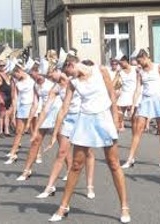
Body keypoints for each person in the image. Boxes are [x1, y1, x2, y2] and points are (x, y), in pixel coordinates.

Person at [48, 51, 130, 223]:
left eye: (67, 71)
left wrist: (115, 118)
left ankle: (124, 207)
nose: (67, 76)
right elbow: (64, 108)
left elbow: (112, 95)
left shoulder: (100, 71)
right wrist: (56, 132)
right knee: (77, 165)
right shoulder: (73, 83)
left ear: (71, 65)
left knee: (113, 163)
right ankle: (63, 206)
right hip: (85, 121)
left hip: (103, 119)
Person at [35, 53, 96, 200]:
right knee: (61, 153)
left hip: (83, 118)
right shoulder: (56, 88)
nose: (49, 79)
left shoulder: (76, 80)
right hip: (68, 120)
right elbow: (46, 109)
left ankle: (89, 185)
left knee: (87, 153)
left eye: (50, 75)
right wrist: (40, 129)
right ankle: (49, 187)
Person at [121, 49, 160, 169]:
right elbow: (138, 89)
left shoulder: (158, 67)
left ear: (145, 57)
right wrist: (133, 106)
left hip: (158, 99)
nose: (138, 64)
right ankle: (130, 158)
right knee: (138, 129)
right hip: (145, 100)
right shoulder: (140, 71)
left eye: (139, 61)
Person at [16, 57, 62, 181]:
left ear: (38, 71)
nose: (31, 75)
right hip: (45, 114)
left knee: (62, 144)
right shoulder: (36, 86)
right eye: (30, 73)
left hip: (57, 113)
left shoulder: (52, 82)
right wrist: (30, 121)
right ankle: (26, 170)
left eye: (32, 72)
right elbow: (35, 104)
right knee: (36, 141)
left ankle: (69, 170)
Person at [4, 58, 36, 164]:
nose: (14, 78)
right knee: (18, 131)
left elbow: (36, 95)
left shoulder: (31, 80)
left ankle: (38, 153)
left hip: (31, 107)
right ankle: (13, 152)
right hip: (22, 107)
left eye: (15, 75)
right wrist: (14, 113)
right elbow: (15, 98)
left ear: (19, 71)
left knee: (33, 132)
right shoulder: (17, 83)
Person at [113, 53, 138, 133]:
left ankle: (134, 138)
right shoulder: (120, 72)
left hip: (134, 95)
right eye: (118, 63)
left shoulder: (135, 69)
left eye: (120, 63)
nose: (119, 65)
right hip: (124, 94)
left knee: (134, 119)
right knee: (118, 116)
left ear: (125, 61)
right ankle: (115, 136)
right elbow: (113, 83)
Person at [0, 60, 14, 137]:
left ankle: (7, 130)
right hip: (3, 95)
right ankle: (0, 131)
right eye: (0, 66)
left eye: (3, 65)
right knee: (2, 114)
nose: (1, 67)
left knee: (7, 114)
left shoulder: (5, 74)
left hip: (8, 96)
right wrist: (0, 98)